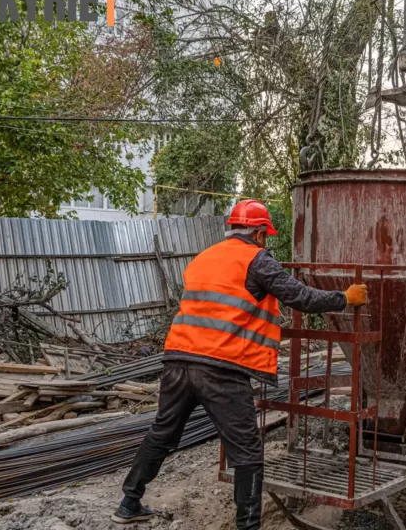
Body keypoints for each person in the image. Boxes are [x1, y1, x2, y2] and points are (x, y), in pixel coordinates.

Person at [112, 199, 366, 528]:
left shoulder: (203, 258)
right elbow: (300, 296)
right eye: (265, 236)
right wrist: (345, 298)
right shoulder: (257, 260)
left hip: (177, 360)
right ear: (260, 234)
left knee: (162, 433)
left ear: (233, 228)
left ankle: (129, 502)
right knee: (247, 451)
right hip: (221, 366)